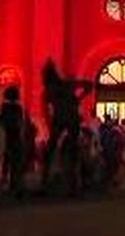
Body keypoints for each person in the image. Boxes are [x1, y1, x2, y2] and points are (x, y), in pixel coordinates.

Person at [39, 59, 93, 196]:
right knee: (71, 149)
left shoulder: (50, 89)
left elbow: (45, 110)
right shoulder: (65, 85)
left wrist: (49, 124)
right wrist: (79, 98)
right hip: (70, 119)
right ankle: (72, 183)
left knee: (53, 149)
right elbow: (89, 85)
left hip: (61, 120)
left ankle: (47, 180)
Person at [0, 86, 25, 198]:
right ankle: (14, 182)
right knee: (15, 160)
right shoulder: (18, 108)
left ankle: (5, 180)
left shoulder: (4, 107)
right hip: (15, 134)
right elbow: (20, 121)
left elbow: (2, 119)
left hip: (8, 134)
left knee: (7, 159)